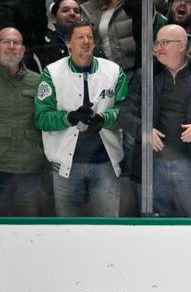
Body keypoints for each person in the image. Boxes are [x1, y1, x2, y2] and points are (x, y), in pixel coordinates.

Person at [119, 24, 191, 217]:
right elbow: (124, 113)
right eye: (157, 43)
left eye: (164, 43)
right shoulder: (145, 75)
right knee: (152, 228)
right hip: (152, 164)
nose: (158, 48)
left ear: (181, 46)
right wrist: (143, 129)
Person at [34, 20, 128, 217]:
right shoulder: (51, 73)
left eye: (90, 37)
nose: (86, 41)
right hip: (66, 167)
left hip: (105, 164)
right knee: (67, 231)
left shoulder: (113, 71)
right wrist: (68, 118)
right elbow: (41, 118)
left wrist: (104, 119)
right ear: (69, 43)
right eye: (80, 37)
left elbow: (126, 111)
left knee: (108, 229)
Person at [0, 28, 46, 216]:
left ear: (23, 49)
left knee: (28, 228)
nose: (12, 46)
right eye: (6, 42)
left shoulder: (38, 82)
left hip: (29, 170)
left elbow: (46, 122)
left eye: (16, 43)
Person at [80, 0, 138, 73]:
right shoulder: (93, 8)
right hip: (105, 73)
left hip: (133, 71)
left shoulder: (136, 2)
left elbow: (160, 1)